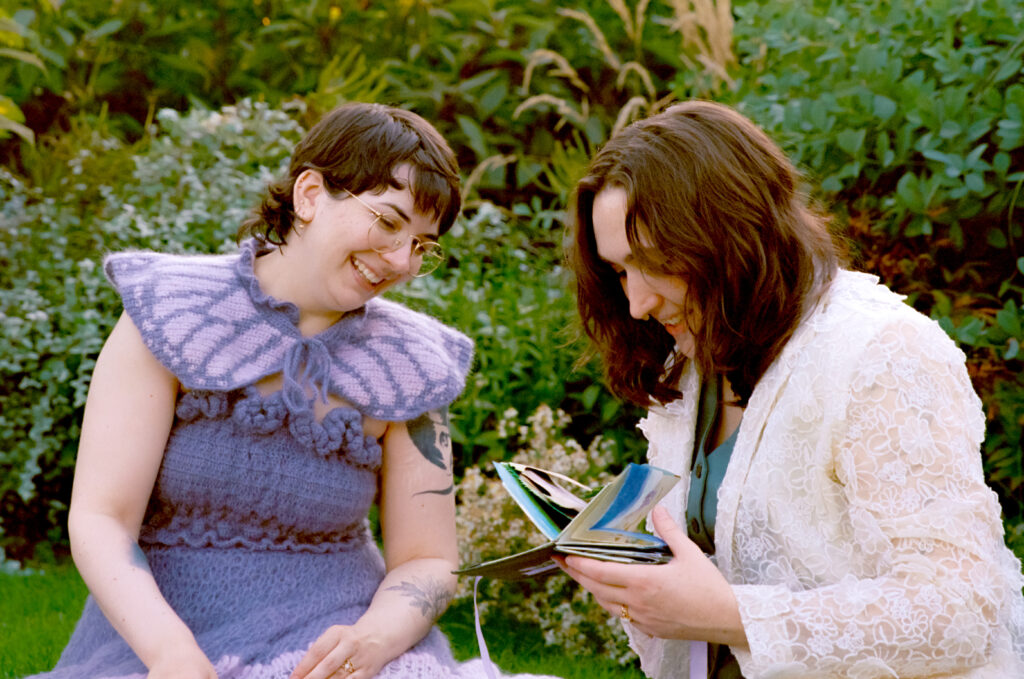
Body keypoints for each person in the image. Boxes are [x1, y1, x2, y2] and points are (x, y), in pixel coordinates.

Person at [30, 103, 554, 679]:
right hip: (160, 637)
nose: (402, 260)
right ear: (309, 195)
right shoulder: (171, 310)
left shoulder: (412, 364)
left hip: (333, 641)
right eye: (387, 221)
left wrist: (373, 640)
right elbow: (102, 517)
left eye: (423, 245)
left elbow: (427, 558)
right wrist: (169, 654)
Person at [559, 100, 1024, 678]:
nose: (637, 302)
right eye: (620, 271)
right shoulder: (699, 356)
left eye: (653, 261)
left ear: (732, 232)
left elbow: (962, 613)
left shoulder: (883, 353)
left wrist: (732, 615)